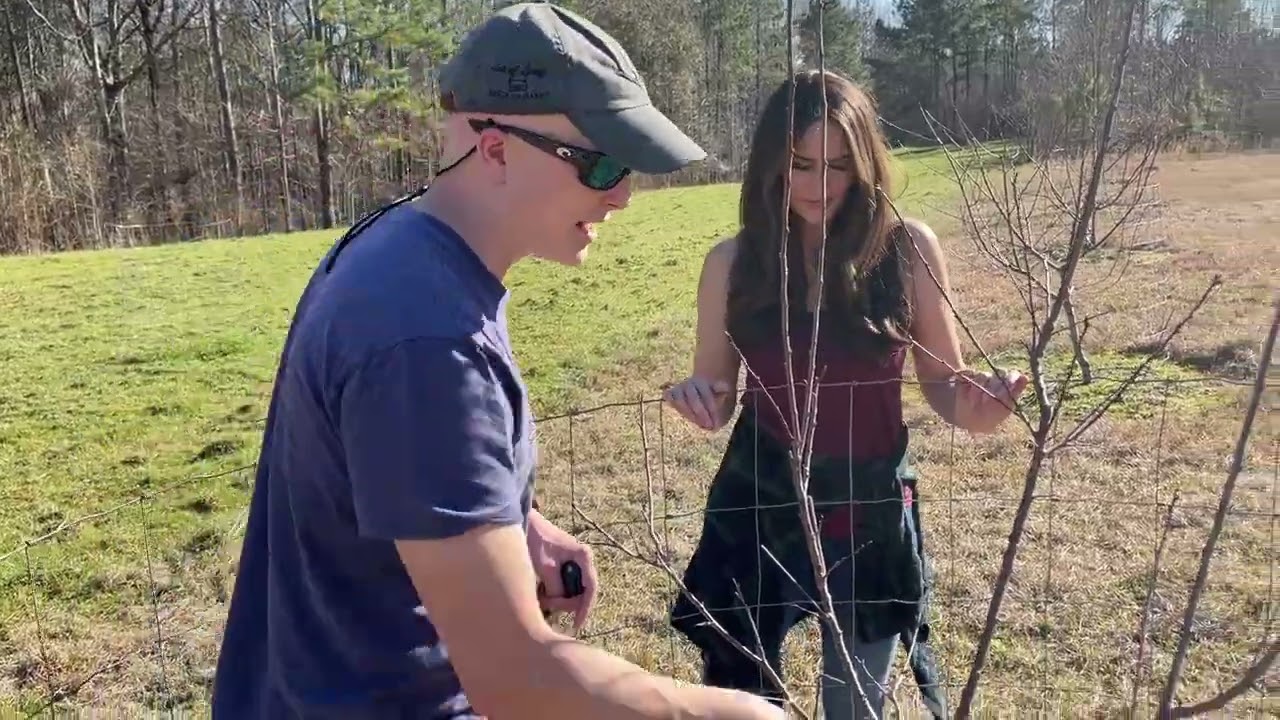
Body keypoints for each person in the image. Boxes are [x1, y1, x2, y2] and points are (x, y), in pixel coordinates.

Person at [211, 3, 787, 719]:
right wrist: (742, 714)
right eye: (601, 162)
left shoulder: (404, 250)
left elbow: (397, 460)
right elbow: (515, 678)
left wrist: (520, 524)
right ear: (495, 149)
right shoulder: (426, 337)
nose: (622, 195)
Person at [661, 70, 1029, 719]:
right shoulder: (732, 263)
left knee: (856, 705)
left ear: (866, 163)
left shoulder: (907, 249)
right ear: (772, 163)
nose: (819, 185)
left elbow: (945, 384)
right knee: (743, 700)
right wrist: (698, 398)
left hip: (870, 502)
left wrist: (982, 406)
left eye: (839, 164)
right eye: (801, 164)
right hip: (763, 499)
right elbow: (717, 399)